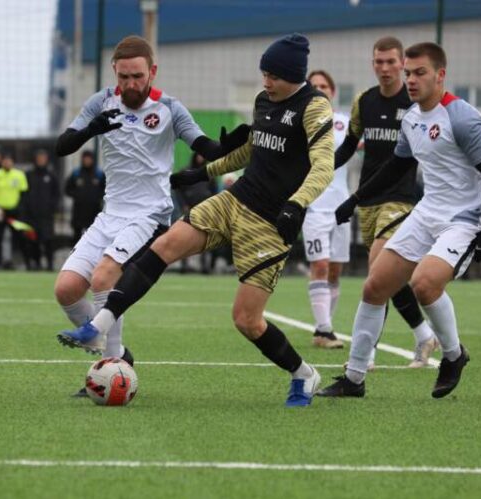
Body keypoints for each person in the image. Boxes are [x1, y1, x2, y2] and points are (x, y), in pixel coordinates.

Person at [59, 33, 334, 407]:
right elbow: (250, 153)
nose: (265, 82)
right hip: (235, 199)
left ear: (293, 76)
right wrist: (202, 173)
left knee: (247, 320)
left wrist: (297, 204)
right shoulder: (265, 100)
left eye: (272, 76)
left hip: (270, 221)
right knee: (165, 244)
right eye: (264, 74)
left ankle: (303, 374)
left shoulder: (314, 107)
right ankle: (100, 327)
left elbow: (324, 166)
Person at [52, 35, 249, 396]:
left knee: (103, 277)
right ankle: (113, 350)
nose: (130, 84)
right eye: (124, 76)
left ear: (152, 72)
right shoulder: (100, 102)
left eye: (138, 76)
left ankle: (114, 370)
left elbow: (205, 147)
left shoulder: (170, 108)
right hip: (111, 214)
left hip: (150, 215)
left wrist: (227, 146)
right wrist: (92, 129)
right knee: (66, 290)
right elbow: (62, 146)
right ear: (115, 70)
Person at [318, 42, 481, 399]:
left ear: (440, 75)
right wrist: (355, 199)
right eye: (409, 73)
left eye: (420, 73)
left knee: (424, 284)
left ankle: (453, 355)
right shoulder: (412, 118)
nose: (411, 80)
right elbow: (396, 166)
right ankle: (354, 379)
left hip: (464, 220)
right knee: (375, 287)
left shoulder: (462, 118)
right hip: (426, 212)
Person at [331, 36, 438, 368]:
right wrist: (320, 167)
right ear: (373, 64)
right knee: (389, 277)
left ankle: (366, 352)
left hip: (401, 200)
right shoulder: (364, 101)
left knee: (377, 269)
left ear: (402, 64)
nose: (385, 68)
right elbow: (349, 146)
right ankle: (424, 334)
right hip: (368, 199)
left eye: (391, 62)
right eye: (379, 62)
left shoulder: (415, 103)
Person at [298, 69, 351, 349]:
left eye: (324, 85)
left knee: (335, 271)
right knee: (319, 265)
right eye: (314, 85)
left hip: (342, 207)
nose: (320, 89)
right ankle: (325, 329)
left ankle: (323, 330)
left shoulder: (345, 123)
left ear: (332, 91)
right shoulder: (300, 123)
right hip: (314, 207)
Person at [176, 152, 217, 273]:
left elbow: (214, 191)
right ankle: (184, 265)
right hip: (188, 209)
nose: (201, 157)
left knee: (205, 237)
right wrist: (183, 205)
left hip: (205, 210)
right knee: (184, 237)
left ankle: (205, 266)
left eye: (203, 155)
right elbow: (178, 190)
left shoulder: (209, 172)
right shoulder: (186, 172)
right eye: (199, 155)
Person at [0, 151, 28, 269]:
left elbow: (24, 194)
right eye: (5, 161)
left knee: (19, 237)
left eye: (9, 161)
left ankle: (22, 261)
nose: (7, 163)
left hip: (15, 211)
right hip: (0, 212)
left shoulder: (19, 175)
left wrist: (19, 208)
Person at [23, 149, 60, 271]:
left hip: (46, 215)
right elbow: (24, 194)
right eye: (39, 158)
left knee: (48, 240)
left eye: (43, 158)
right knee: (33, 240)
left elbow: (56, 194)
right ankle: (36, 263)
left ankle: (50, 264)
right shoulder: (29, 175)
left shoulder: (51, 175)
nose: (41, 160)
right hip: (32, 215)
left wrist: (52, 207)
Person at [64, 150, 104, 246]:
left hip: (94, 211)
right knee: (76, 238)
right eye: (85, 159)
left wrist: (97, 196)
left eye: (89, 159)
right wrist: (77, 195)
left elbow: (106, 189)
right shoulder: (76, 173)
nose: (87, 161)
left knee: (93, 237)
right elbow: (67, 189)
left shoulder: (99, 174)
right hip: (78, 211)